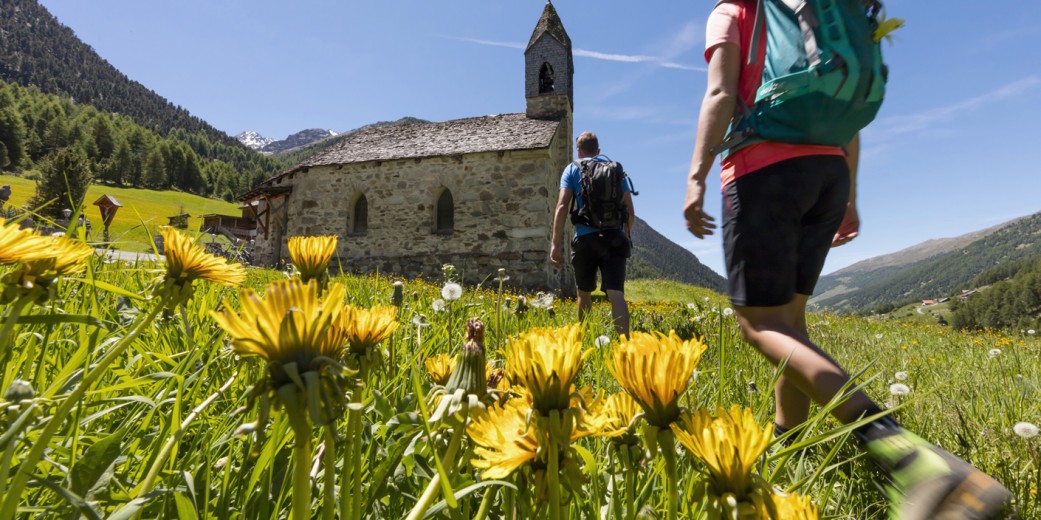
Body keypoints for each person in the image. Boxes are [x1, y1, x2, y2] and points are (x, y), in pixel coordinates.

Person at [682, 2, 1012, 519]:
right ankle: (788, 439)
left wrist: (696, 174)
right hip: (829, 173)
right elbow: (846, 121)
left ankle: (904, 452)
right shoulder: (821, 16)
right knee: (791, 323)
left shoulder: (735, 10)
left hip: (762, 170)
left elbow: (721, 93)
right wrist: (850, 195)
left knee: (760, 325)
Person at [551, 131, 635, 337]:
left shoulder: (572, 169)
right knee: (616, 295)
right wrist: (625, 234)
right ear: (598, 150)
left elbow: (562, 206)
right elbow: (630, 211)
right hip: (614, 238)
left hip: (585, 239)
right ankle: (624, 346)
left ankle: (584, 338)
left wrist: (555, 244)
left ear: (578, 150)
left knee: (583, 293)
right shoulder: (614, 170)